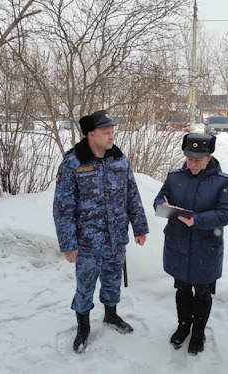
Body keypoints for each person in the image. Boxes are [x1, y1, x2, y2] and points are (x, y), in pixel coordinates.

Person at [53, 109, 149, 353]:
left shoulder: (119, 161)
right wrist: (69, 244)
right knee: (85, 286)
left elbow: (132, 196)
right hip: (86, 242)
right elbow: (63, 207)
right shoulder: (73, 163)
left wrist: (139, 227)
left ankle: (111, 315)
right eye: (106, 132)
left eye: (112, 132)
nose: (111, 136)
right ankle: (83, 327)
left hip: (116, 237)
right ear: (90, 134)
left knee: (112, 280)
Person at [154, 133, 228, 355]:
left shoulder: (222, 181)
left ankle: (198, 332)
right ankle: (183, 327)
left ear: (209, 157)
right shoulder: (174, 177)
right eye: (189, 158)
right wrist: (166, 206)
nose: (193, 163)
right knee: (182, 288)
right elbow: (159, 201)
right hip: (178, 245)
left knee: (202, 291)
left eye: (198, 159)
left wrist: (197, 220)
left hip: (205, 247)